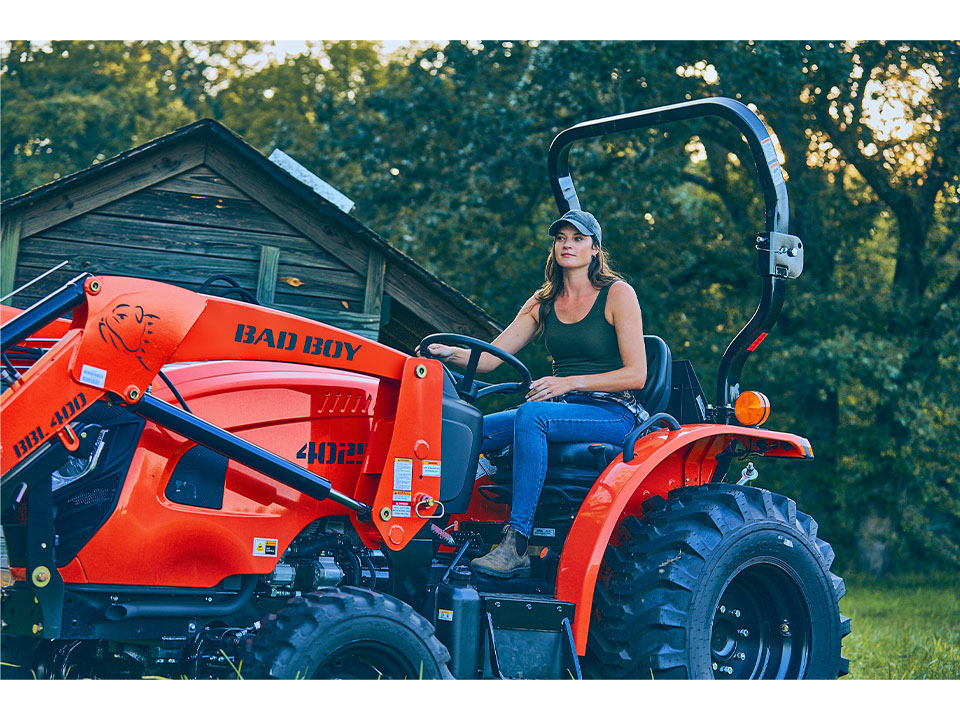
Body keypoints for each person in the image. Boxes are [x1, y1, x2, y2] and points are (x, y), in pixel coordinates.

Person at [424, 210, 647, 578]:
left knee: (532, 415)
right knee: (467, 428)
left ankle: (516, 545)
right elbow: (491, 359)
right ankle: (434, 521)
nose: (567, 245)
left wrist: (570, 382)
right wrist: (449, 354)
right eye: (561, 238)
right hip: (563, 408)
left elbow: (636, 375)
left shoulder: (617, 294)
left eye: (577, 238)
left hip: (614, 413)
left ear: (594, 248)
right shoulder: (544, 300)